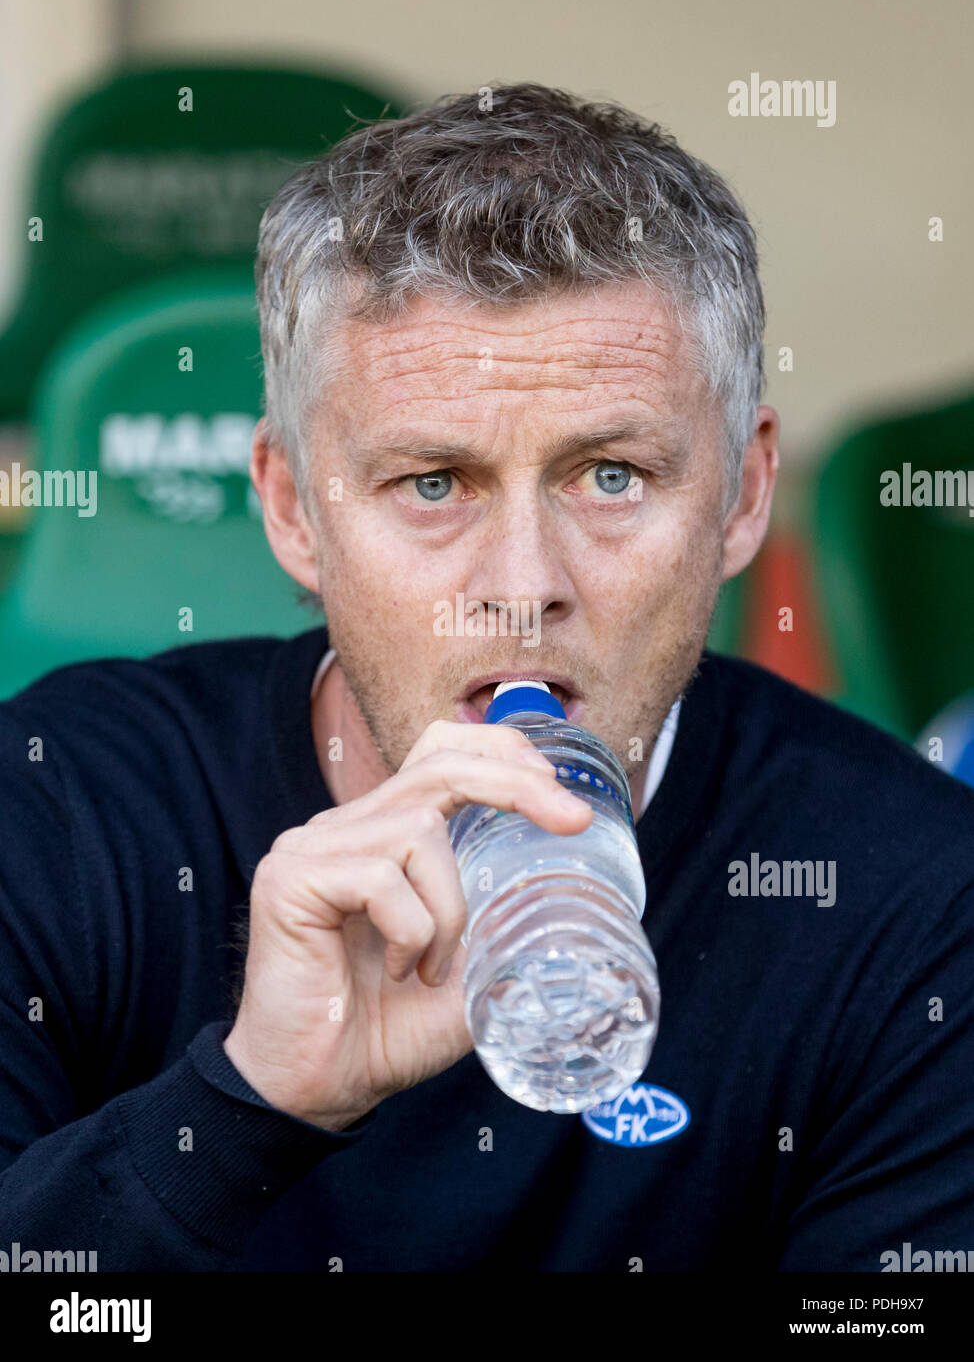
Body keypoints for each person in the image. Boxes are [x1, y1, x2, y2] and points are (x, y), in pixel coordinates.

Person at [1, 83, 972, 1273]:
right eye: (431, 482)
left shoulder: (920, 896)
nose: (521, 586)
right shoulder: (51, 809)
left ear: (743, 495)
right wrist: (245, 1103)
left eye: (609, 475)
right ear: (294, 508)